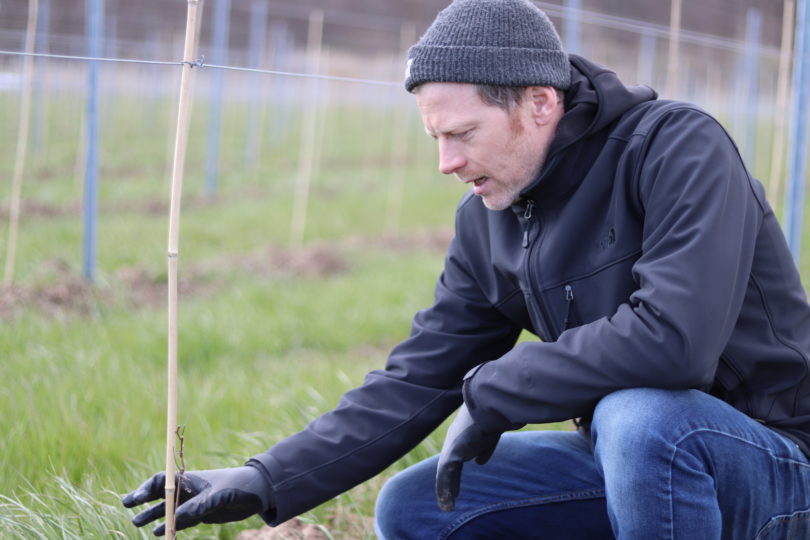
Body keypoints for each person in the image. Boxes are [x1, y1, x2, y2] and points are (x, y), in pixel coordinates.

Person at [123, 0, 810, 538]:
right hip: (634, 467)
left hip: (777, 465)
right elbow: (417, 378)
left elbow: (676, 342)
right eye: (435, 138)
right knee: (418, 507)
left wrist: (502, 385)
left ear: (540, 103)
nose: (445, 163)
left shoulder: (676, 149)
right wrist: (266, 477)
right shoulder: (487, 220)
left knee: (641, 419)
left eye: (462, 134)